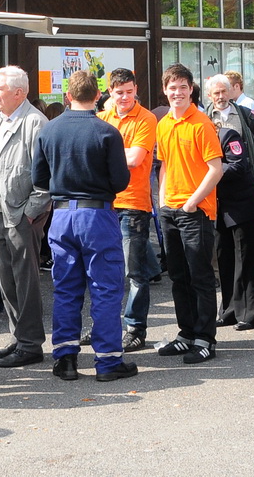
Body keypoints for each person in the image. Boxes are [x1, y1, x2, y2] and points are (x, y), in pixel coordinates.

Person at [32, 70, 134, 382]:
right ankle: (107, 361)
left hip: (62, 214)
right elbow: (120, 180)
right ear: (98, 95)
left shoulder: (49, 131)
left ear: (67, 96)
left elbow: (38, 179)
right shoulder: (106, 131)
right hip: (97, 214)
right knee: (104, 289)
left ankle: (65, 359)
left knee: (65, 288)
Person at [0, 66, 52, 368]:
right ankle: (18, 335)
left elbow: (46, 176)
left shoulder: (35, 123)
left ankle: (31, 343)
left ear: (19, 93)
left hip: (21, 216)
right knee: (7, 279)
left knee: (25, 281)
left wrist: (30, 213)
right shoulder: (2, 118)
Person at [154, 64, 225, 365]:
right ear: (165, 90)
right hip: (170, 209)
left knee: (201, 277)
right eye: (173, 87)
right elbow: (166, 165)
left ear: (191, 90)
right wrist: (162, 200)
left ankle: (205, 338)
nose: (178, 92)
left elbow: (216, 169)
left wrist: (192, 202)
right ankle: (186, 334)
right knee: (178, 276)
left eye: (183, 87)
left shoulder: (201, 123)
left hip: (195, 211)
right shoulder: (163, 124)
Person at [98, 68, 159, 352]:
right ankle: (104, 325)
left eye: (129, 91)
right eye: (119, 92)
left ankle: (135, 329)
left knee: (135, 273)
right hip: (105, 202)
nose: (125, 97)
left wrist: (105, 153)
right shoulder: (103, 117)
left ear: (136, 90)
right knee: (103, 270)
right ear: (110, 92)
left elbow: (135, 159)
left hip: (133, 203)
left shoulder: (146, 118)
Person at [206, 73, 254, 331]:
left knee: (246, 258)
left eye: (223, 92)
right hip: (215, 201)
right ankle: (228, 310)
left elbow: (246, 159)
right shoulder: (203, 117)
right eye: (215, 93)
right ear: (209, 96)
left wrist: (211, 173)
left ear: (231, 92)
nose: (219, 97)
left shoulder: (245, 116)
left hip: (242, 199)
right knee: (224, 257)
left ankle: (250, 313)